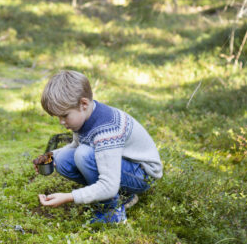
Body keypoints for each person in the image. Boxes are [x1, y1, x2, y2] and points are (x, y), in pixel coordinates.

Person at [35, 70, 163, 223]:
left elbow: (109, 185)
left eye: (65, 116)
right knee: (62, 159)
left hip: (142, 174)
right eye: (58, 117)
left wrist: (70, 197)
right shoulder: (87, 116)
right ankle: (124, 195)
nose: (61, 122)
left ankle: (111, 212)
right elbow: (75, 144)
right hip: (123, 166)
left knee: (83, 155)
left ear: (83, 104)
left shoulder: (106, 131)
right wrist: (49, 156)